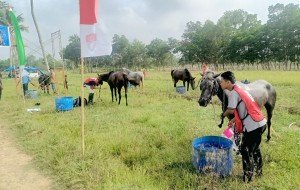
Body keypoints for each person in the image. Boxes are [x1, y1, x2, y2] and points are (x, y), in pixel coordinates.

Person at [220, 71, 266, 182]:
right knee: (254, 148)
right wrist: (234, 120)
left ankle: (248, 178)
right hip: (260, 123)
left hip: (253, 125)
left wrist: (222, 115)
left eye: (221, 81)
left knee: (245, 150)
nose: (220, 84)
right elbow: (245, 109)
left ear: (228, 82)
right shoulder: (241, 90)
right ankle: (259, 172)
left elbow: (231, 109)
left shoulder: (233, 93)